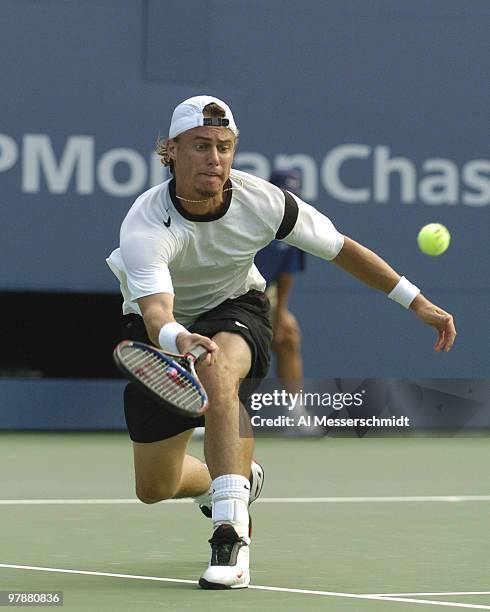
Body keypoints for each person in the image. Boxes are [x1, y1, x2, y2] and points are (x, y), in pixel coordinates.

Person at [106, 95, 456, 590]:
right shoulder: (146, 222)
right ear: (172, 151)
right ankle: (235, 477)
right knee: (154, 486)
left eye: (224, 147)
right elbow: (156, 311)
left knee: (218, 373)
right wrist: (179, 336)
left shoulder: (263, 201)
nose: (214, 158)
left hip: (236, 307)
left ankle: (230, 536)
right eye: (201, 146)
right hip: (165, 331)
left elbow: (341, 248)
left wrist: (415, 300)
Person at [254, 170, 306, 401]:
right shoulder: (250, 222)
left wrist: (280, 314)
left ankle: (295, 415)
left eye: (294, 197)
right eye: (284, 196)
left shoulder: (295, 226)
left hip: (263, 297)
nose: (289, 202)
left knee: (288, 335)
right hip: (226, 293)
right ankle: (204, 418)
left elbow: (286, 274)